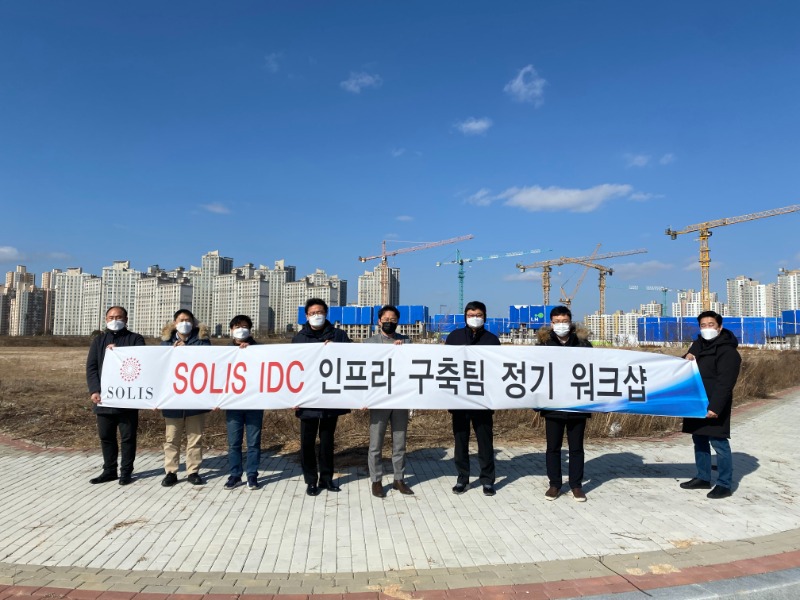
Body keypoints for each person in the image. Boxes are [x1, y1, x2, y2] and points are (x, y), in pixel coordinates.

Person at [292, 298, 352, 496]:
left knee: (327, 441)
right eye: (312, 313)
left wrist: (336, 349)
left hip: (329, 398)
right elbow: (292, 369)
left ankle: (326, 478)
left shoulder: (339, 335)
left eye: (319, 312)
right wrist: (292, 397)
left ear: (326, 314)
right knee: (307, 443)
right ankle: (311, 480)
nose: (316, 316)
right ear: (306, 316)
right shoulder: (299, 339)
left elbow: (353, 357)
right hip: (307, 398)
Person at [679, 310, 741, 500]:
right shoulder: (697, 348)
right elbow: (682, 368)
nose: (707, 328)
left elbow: (725, 383)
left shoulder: (728, 352)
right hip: (697, 401)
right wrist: (687, 356)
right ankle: (703, 477)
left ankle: (724, 484)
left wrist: (715, 407)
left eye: (711, 325)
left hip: (714, 404)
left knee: (718, 443)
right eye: (703, 325)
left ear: (719, 327)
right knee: (699, 439)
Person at [537, 305, 592, 502]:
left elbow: (593, 370)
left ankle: (576, 485)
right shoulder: (543, 345)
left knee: (576, 448)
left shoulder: (583, 344)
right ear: (551, 324)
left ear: (570, 322)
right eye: (557, 321)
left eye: (564, 321)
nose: (561, 325)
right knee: (553, 447)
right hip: (553, 404)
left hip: (577, 403)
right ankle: (555, 484)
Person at [445, 300, 500, 496]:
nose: (474, 318)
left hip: (482, 399)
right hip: (459, 399)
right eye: (471, 315)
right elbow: (445, 363)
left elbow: (498, 368)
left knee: (485, 442)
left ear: (485, 317)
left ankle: (487, 480)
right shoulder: (454, 336)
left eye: (478, 315)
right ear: (465, 317)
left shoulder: (492, 340)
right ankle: (462, 478)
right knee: (461, 442)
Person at [86, 306, 145, 486]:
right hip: (105, 398)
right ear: (105, 320)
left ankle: (126, 471)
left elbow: (142, 360)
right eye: (111, 317)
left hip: (127, 399)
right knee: (106, 436)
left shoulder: (135, 339)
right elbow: (92, 367)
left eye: (119, 317)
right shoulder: (99, 341)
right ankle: (109, 470)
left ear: (126, 319)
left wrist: (119, 352)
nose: (115, 320)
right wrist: (94, 390)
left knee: (128, 437)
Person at [363, 305, 413, 498]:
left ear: (397, 322)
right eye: (386, 319)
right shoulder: (369, 343)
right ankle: (376, 480)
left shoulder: (406, 341)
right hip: (379, 399)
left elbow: (413, 365)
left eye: (393, 320)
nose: (389, 322)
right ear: (379, 321)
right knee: (376, 443)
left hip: (400, 399)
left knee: (399, 441)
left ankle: (398, 479)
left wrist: (403, 351)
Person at [160, 309, 211, 487]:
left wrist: (187, 351)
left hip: (195, 398)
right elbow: (159, 365)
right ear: (174, 323)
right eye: (181, 320)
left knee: (195, 438)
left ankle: (193, 471)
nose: (184, 323)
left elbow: (208, 360)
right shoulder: (166, 343)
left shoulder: (203, 341)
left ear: (193, 323)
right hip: (172, 399)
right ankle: (171, 471)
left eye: (188, 320)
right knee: (171, 438)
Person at [223, 315, 263, 491]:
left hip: (254, 403)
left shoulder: (259, 350)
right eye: (237, 327)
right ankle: (235, 475)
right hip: (233, 404)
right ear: (231, 330)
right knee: (234, 443)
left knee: (253, 443)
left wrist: (250, 352)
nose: (241, 330)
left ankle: (252, 475)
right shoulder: (224, 353)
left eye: (245, 326)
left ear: (250, 330)